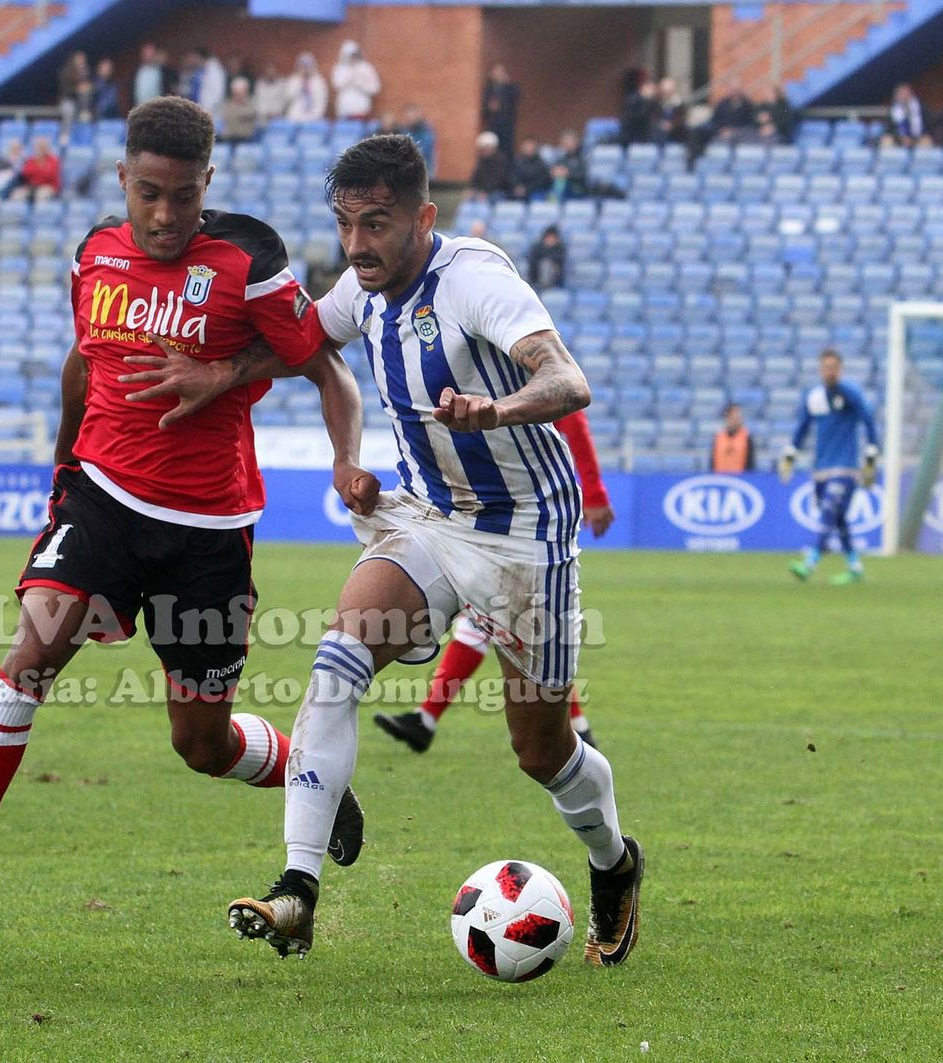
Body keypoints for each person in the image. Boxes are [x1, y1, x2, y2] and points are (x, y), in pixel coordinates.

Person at [119, 134, 642, 966]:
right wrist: (230, 378)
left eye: (378, 224)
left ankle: (615, 861)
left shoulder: (474, 280)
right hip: (428, 520)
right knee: (336, 662)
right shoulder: (362, 291)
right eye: (347, 223)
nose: (358, 244)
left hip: (524, 541)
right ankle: (297, 887)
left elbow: (567, 381)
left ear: (423, 217)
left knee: (541, 751)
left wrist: (493, 412)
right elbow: (299, 345)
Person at [0, 97, 370, 934]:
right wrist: (61, 470)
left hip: (208, 533)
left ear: (207, 185)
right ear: (122, 178)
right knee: (31, 654)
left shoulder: (248, 259)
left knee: (201, 744)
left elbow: (325, 369)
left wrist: (340, 457)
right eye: (148, 192)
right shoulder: (94, 256)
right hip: (102, 500)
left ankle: (311, 779)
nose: (163, 214)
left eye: (182, 196)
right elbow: (83, 363)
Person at [374, 407, 617, 753]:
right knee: (505, 621)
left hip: (523, 514)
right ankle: (427, 719)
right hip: (488, 507)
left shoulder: (525, 365)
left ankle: (427, 719)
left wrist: (593, 493)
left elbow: (573, 420)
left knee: (507, 621)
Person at [781, 349, 878, 584]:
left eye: (834, 366)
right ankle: (855, 568)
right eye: (826, 367)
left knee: (829, 509)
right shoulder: (813, 397)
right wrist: (790, 456)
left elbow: (868, 420)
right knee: (839, 517)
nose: (830, 371)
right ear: (820, 369)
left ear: (840, 369)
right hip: (821, 468)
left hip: (845, 467)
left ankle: (810, 562)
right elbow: (803, 428)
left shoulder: (851, 393)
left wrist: (871, 457)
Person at [330, 40, 381, 121]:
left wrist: (360, 84)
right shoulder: (339, 69)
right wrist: (350, 76)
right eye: (350, 55)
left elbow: (375, 88)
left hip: (362, 108)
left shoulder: (366, 68)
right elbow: (337, 85)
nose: (352, 58)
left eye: (354, 55)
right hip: (344, 109)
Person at [480, 62, 520, 148]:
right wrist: (489, 108)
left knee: (507, 148)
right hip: (493, 125)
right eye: (496, 72)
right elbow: (483, 109)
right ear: (491, 74)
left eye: (501, 72)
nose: (498, 74)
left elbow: (517, 96)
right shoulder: (488, 90)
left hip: (507, 125)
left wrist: (508, 83)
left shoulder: (509, 87)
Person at [711, 401, 756, 473]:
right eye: (735, 415)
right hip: (720, 478)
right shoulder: (718, 437)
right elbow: (712, 461)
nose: (738, 418)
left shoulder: (747, 437)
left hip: (740, 479)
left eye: (739, 416)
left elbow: (750, 463)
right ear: (727, 417)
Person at [284, 52, 328, 123]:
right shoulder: (293, 80)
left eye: (308, 66)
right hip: (295, 116)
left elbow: (321, 100)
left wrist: (316, 115)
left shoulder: (319, 81)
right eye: (303, 66)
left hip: (314, 116)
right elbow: (289, 96)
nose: (305, 69)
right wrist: (299, 80)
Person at [465, 131, 510, 201]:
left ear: (494, 147)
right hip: (483, 191)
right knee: (468, 200)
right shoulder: (481, 160)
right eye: (483, 148)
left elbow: (498, 179)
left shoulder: (501, 160)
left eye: (487, 148)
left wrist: (486, 192)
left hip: (499, 191)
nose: (485, 150)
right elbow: (476, 176)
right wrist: (471, 189)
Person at [549, 129, 589, 200]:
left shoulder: (582, 158)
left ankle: (553, 201)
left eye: (569, 140)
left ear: (576, 142)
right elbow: (554, 172)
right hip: (563, 187)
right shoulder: (561, 158)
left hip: (577, 188)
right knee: (559, 181)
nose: (567, 143)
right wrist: (553, 172)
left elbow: (583, 175)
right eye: (565, 141)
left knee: (561, 182)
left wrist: (567, 173)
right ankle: (554, 201)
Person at [217, 77, 259, 143]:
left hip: (247, 140)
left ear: (246, 92)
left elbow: (252, 113)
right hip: (228, 139)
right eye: (236, 93)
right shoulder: (226, 105)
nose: (239, 96)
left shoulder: (252, 105)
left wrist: (237, 113)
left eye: (241, 92)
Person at [509, 137, 553, 201]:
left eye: (531, 146)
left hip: (536, 191)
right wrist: (516, 186)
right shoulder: (516, 161)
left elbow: (542, 181)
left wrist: (526, 188)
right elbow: (512, 176)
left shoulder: (541, 164)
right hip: (518, 191)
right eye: (527, 146)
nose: (529, 149)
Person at [396, 103, 436, 171]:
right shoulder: (403, 130)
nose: (410, 118)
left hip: (424, 170)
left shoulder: (427, 130)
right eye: (408, 116)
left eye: (412, 115)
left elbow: (424, 150)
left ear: (418, 114)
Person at [619, 79, 659, 146]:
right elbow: (634, 118)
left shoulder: (650, 102)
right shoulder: (633, 100)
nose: (653, 93)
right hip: (632, 135)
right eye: (651, 90)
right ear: (644, 88)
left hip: (644, 135)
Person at [527, 225, 566, 290]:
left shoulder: (560, 248)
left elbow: (561, 263)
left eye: (553, 238)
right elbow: (533, 262)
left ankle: (545, 286)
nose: (550, 239)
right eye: (549, 237)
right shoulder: (537, 248)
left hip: (555, 277)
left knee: (546, 264)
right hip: (537, 275)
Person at [132, 44, 166, 108]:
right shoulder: (137, 72)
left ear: (155, 55)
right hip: (140, 109)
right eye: (145, 54)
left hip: (159, 109)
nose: (148, 56)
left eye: (150, 54)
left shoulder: (162, 71)